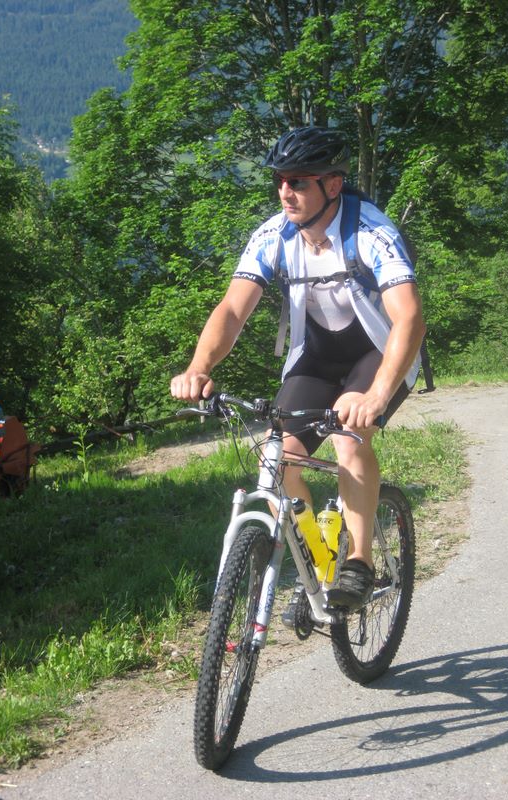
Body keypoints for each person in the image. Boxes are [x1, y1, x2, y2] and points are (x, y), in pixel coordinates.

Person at [170, 126, 426, 611]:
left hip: (379, 350)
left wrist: (376, 395)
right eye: (280, 180)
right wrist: (198, 367)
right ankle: (317, 559)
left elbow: (409, 318)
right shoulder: (275, 234)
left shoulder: (371, 231)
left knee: (350, 438)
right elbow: (232, 309)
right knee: (276, 458)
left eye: (299, 182)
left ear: (333, 184)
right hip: (317, 355)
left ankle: (360, 562)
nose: (286, 191)